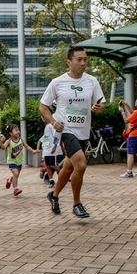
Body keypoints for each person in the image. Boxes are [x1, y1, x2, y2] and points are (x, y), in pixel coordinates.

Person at [40, 46, 106, 218]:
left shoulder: (92, 81)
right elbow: (43, 107)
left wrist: (99, 108)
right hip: (65, 130)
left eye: (85, 59)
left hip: (83, 131)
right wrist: (53, 122)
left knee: (69, 168)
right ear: (69, 62)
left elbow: (101, 104)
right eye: (79, 59)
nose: (83, 63)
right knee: (81, 165)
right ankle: (77, 203)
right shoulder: (57, 82)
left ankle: (54, 195)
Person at [0, 123, 39, 196]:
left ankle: (10, 179)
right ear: (10, 133)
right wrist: (1, 142)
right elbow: (3, 147)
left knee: (16, 175)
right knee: (16, 173)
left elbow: (27, 146)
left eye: (18, 130)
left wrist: (33, 151)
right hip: (12, 161)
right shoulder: (9, 141)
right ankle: (15, 189)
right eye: (16, 130)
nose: (18, 132)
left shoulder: (20, 139)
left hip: (19, 161)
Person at [118, 96, 137, 178]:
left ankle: (129, 172)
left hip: (133, 136)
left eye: (136, 101)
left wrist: (122, 112)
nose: (135, 101)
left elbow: (126, 121)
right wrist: (126, 104)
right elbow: (132, 112)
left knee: (130, 154)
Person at [36, 114, 64, 188]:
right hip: (47, 149)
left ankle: (63, 175)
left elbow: (57, 136)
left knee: (53, 165)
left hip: (52, 149)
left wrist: (55, 146)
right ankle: (51, 180)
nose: (42, 118)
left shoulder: (52, 125)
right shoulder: (47, 126)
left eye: (43, 116)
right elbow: (45, 138)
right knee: (47, 165)